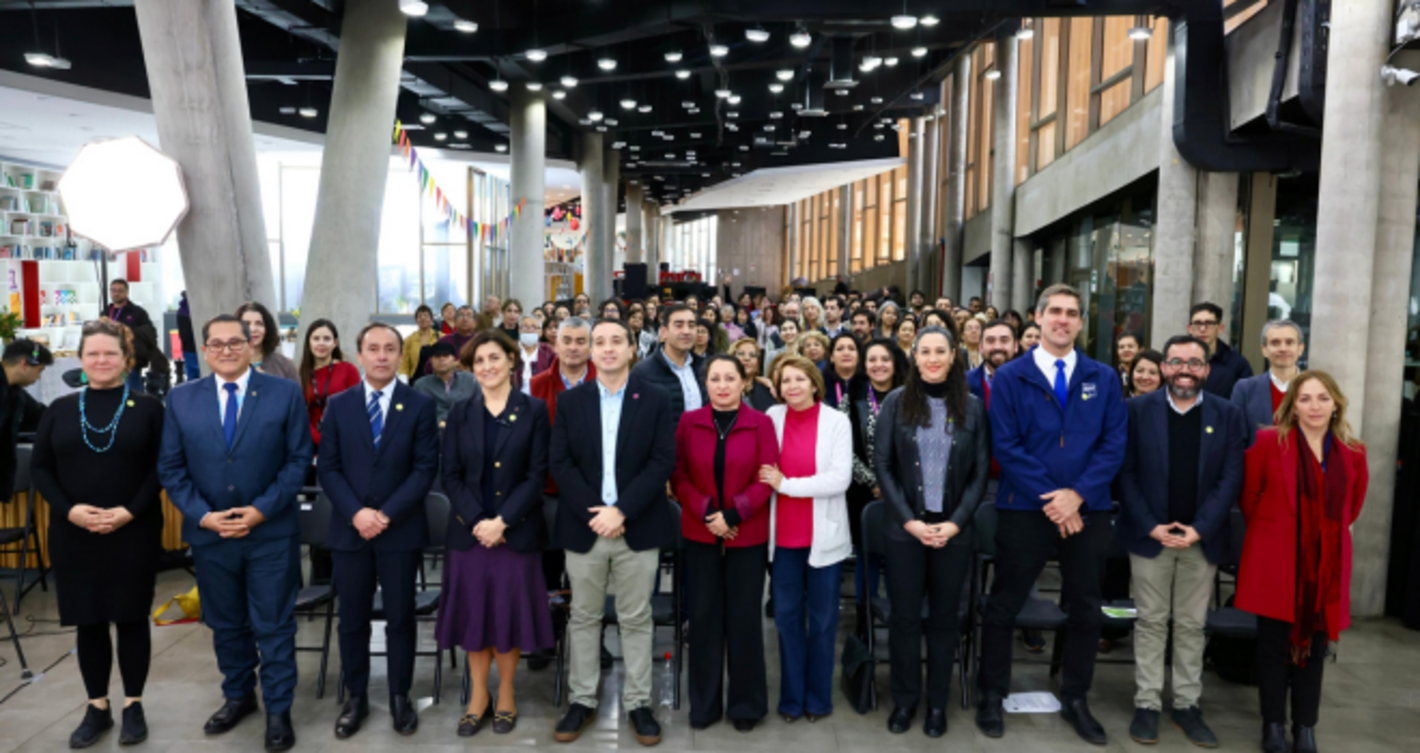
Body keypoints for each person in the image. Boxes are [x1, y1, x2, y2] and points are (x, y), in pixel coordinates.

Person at [975, 284, 1127, 745]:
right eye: (1055, 311)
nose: (1063, 320)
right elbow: (1007, 446)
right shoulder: (1011, 377)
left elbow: (1113, 445)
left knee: (1084, 606)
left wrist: (1076, 496)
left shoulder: (1103, 378)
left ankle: (1076, 696)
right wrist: (1054, 498)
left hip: (1089, 511)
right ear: (1038, 318)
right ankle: (991, 694)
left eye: (1072, 313)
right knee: (1003, 605)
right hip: (1025, 509)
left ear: (1081, 322)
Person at [157, 314, 313, 751]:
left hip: (270, 533)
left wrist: (261, 511)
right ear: (204, 350)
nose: (225, 350)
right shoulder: (182, 398)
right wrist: (204, 516)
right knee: (226, 623)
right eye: (216, 343)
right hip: (210, 535)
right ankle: (238, 696)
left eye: (234, 342)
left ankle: (278, 710)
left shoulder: (283, 393)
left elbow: (299, 461)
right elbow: (171, 468)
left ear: (250, 345)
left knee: (274, 624)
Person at [33, 321, 163, 748]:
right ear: (81, 360)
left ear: (126, 359)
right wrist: (71, 511)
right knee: (87, 621)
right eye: (93, 354)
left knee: (130, 618)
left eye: (110, 354)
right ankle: (97, 707)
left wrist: (128, 512)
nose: (102, 361)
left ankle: (134, 705)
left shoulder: (149, 408)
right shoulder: (60, 409)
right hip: (75, 533)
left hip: (133, 529)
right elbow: (41, 469)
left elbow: (161, 468)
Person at [1116, 335, 1248, 748]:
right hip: (1150, 534)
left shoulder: (1228, 414)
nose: (1185, 369)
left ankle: (1188, 705)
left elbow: (1231, 478)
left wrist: (1200, 527)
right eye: (1176, 362)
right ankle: (1148, 704)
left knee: (1191, 625)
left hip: (1199, 538)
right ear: (1164, 368)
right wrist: (1151, 525)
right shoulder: (1136, 410)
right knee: (1151, 622)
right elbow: (1125, 473)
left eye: (1194, 362)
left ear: (1207, 370)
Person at [550, 319, 677, 746]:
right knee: (583, 617)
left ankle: (639, 703)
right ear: (590, 350)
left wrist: (621, 510)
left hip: (637, 525)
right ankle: (582, 699)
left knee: (636, 618)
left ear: (630, 349)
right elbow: (560, 463)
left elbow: (661, 462)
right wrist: (597, 513)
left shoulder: (656, 399)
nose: (606, 349)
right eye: (598, 342)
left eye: (615, 341)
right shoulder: (571, 402)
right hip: (586, 528)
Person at [1236, 371, 1368, 753]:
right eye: (1306, 398)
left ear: (1336, 404)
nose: (1315, 406)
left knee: (1315, 648)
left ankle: (1305, 727)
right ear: (1292, 405)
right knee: (1274, 649)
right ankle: (1273, 725)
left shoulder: (1353, 452)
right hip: (1275, 563)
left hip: (1326, 568)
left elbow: (1352, 505)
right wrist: (1276, 532)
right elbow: (1249, 497)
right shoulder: (1266, 443)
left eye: (1323, 398)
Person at [318, 323, 439, 739]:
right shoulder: (339, 404)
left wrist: (384, 514)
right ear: (359, 355)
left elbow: (425, 469)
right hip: (350, 530)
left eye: (390, 348)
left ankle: (400, 696)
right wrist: (357, 514)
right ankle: (356, 698)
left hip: (399, 530)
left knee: (401, 618)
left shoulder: (419, 404)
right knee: (351, 619)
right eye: (374, 349)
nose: (382, 356)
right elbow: (328, 468)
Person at [437, 331, 555, 737]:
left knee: (506, 617)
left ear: (511, 360)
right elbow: (449, 476)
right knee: (475, 618)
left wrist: (502, 522)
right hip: (470, 535)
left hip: (515, 533)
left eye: (494, 358)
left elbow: (537, 475)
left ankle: (505, 693)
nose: (486, 367)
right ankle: (477, 696)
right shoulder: (460, 412)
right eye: (478, 362)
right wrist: (478, 522)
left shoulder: (534, 410)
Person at [875, 326, 989, 737]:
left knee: (944, 621)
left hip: (954, 533)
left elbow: (979, 473)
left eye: (941, 351)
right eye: (925, 351)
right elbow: (883, 466)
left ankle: (937, 704)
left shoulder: (973, 407)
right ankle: (905, 702)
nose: (933, 358)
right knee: (905, 620)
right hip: (906, 531)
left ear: (954, 354)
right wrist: (911, 521)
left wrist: (954, 522)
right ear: (914, 355)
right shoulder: (894, 403)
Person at [672, 354, 778, 732]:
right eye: (714, 378)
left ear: (743, 382)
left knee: (744, 620)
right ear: (706, 384)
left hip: (745, 534)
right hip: (700, 532)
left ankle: (746, 705)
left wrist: (733, 514)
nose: (721, 385)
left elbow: (767, 478)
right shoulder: (688, 422)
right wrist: (707, 513)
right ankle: (704, 704)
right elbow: (679, 474)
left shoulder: (761, 424)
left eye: (729, 378)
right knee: (702, 619)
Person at [759, 356, 852, 723]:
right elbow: (761, 471)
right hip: (782, 538)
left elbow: (839, 479)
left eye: (800, 379)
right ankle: (791, 698)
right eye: (785, 381)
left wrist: (786, 485)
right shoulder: (772, 419)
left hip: (823, 540)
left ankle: (818, 699)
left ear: (815, 384)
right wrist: (774, 482)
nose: (792, 387)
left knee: (824, 621)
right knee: (786, 619)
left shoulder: (836, 421)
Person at [846, 340, 907, 621]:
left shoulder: (912, 397)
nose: (878, 365)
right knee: (866, 559)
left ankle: (900, 620)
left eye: (885, 359)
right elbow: (843, 449)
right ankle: (865, 618)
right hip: (863, 493)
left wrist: (894, 486)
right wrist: (873, 482)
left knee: (900, 559)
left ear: (895, 363)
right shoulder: (852, 397)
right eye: (872, 359)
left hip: (905, 493)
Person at [1232, 319, 1306, 441]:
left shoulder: (1318, 388)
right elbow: (1235, 439)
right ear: (1264, 350)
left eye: (1289, 342)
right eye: (1275, 343)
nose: (1283, 348)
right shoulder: (1245, 389)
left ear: (1300, 349)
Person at [631, 305, 706, 418]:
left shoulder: (704, 368)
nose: (686, 331)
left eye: (691, 325)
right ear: (664, 332)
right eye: (679, 325)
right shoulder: (643, 373)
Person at [299, 319, 361, 448]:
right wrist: (318, 438)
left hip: (344, 439)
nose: (321, 343)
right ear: (308, 342)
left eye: (327, 339)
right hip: (311, 440)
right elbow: (299, 413)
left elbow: (358, 409)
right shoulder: (301, 374)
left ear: (335, 343)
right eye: (316, 338)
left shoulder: (348, 370)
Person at [0, 339, 49, 497]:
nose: (39, 377)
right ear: (24, 364)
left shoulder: (16, 394)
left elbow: (42, 416)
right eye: (39, 370)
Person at [1188, 302, 1254, 397]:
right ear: (1190, 328)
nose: (1202, 329)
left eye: (1209, 323)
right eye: (1198, 323)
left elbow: (1246, 400)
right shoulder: (1176, 358)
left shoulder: (1237, 364)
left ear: (1220, 328)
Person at [103, 279, 154, 393]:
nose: (116, 293)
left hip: (130, 357)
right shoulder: (106, 311)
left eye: (120, 291)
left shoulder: (137, 312)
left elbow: (149, 332)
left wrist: (127, 331)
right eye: (113, 290)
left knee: (132, 390)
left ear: (127, 292)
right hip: (109, 356)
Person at [413, 341, 480, 425]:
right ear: (431, 361)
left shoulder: (470, 379)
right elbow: (418, 413)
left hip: (468, 428)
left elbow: (480, 405)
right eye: (437, 356)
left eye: (446, 355)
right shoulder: (421, 385)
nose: (442, 359)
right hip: (435, 431)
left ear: (454, 359)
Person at [237, 302, 298, 382]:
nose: (253, 329)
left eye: (259, 324)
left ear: (267, 329)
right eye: (246, 324)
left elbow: (296, 393)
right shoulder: (227, 364)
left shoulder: (285, 366)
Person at [732, 337, 777, 412]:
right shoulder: (720, 387)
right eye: (741, 353)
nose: (746, 358)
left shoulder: (768, 390)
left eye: (752, 355)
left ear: (758, 363)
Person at [822, 332, 863, 412]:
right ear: (831, 357)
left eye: (851, 349)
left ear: (859, 356)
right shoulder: (820, 384)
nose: (846, 353)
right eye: (840, 349)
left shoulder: (869, 384)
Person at [514, 315, 555, 393]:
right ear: (519, 330)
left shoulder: (547, 351)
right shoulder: (510, 348)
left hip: (540, 396)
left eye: (533, 327)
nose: (529, 330)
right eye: (525, 327)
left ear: (541, 332)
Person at [400, 305, 442, 381]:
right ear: (416, 320)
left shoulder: (442, 337)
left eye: (426, 316)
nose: (423, 318)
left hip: (437, 380)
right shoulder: (409, 340)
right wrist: (403, 380)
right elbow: (404, 364)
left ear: (431, 320)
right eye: (419, 316)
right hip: (415, 380)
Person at [177, 291, 201, 381]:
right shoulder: (196, 309)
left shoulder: (181, 310)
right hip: (195, 347)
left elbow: (183, 334)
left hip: (187, 348)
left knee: (192, 376)